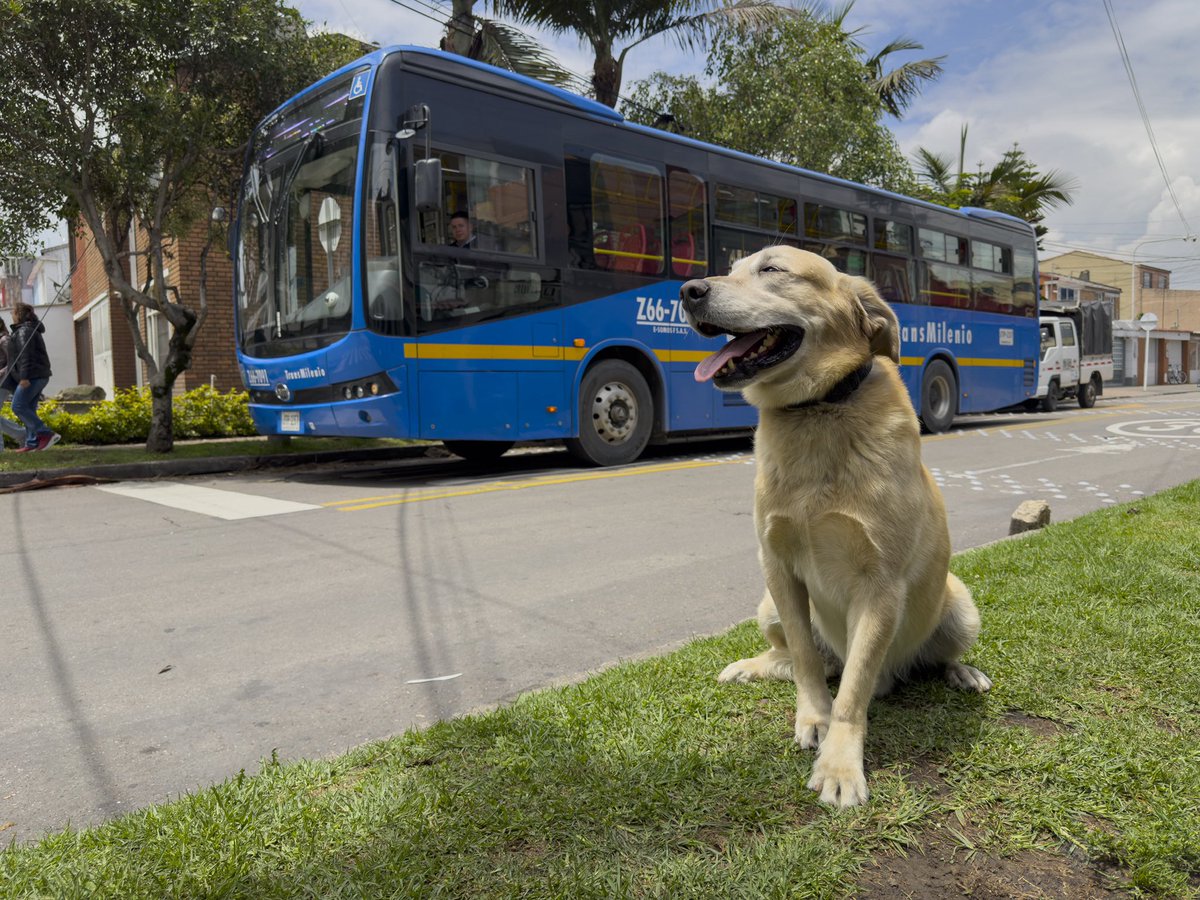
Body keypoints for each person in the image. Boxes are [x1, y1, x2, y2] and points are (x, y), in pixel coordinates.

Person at [8, 302, 60, 452]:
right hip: (38, 375)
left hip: (31, 377)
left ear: (19, 314)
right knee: (28, 408)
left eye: (13, 312)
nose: (11, 315)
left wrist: (23, 377)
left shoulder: (24, 331)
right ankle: (32, 443)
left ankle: (46, 433)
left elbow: (26, 355)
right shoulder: (29, 329)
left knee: (18, 406)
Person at [0, 319, 31, 451]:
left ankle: (21, 435)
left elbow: (14, 361)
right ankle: (22, 434)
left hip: (4, 382)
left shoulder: (4, 339)